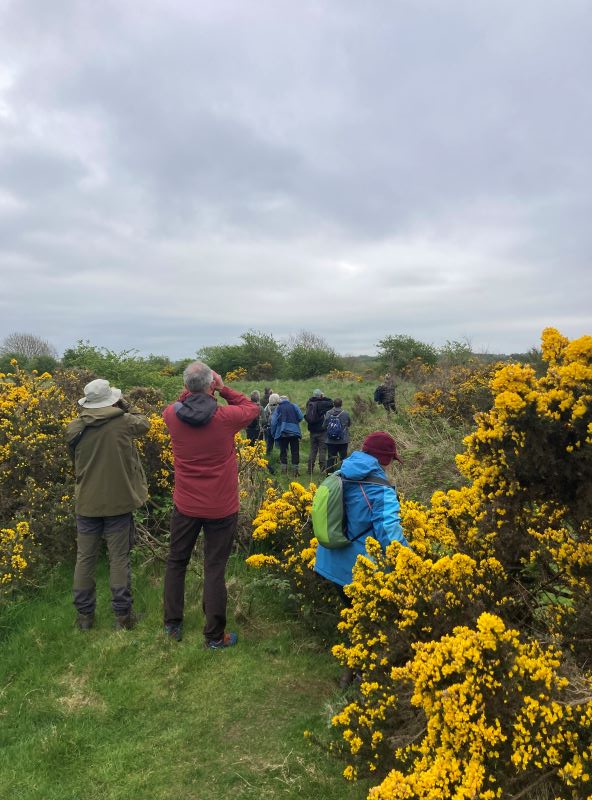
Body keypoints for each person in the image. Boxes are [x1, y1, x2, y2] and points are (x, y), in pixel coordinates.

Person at [162, 361, 260, 648]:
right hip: (221, 507)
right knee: (214, 567)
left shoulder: (171, 415)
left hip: (186, 505)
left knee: (176, 561)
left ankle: (172, 625)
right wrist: (223, 387)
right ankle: (215, 636)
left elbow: (181, 403)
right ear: (210, 385)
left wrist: (192, 390)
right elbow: (252, 407)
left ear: (186, 387)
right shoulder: (225, 417)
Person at [314, 431, 408, 685]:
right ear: (385, 459)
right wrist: (410, 561)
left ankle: (351, 670)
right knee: (371, 621)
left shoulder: (340, 472)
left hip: (329, 560)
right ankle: (362, 676)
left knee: (353, 616)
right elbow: (389, 531)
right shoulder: (380, 489)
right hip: (357, 568)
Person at [66, 378, 150, 631]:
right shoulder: (124, 422)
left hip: (87, 503)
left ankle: (84, 617)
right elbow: (144, 423)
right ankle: (123, 617)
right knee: (119, 559)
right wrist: (124, 404)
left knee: (85, 559)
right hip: (119, 503)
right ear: (111, 400)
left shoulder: (74, 428)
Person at [271, 394, 304, 476]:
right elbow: (300, 416)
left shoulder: (278, 408)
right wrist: (295, 422)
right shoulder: (294, 406)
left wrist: (274, 432)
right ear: (288, 400)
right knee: (295, 452)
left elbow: (273, 422)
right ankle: (295, 472)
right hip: (294, 432)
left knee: (283, 452)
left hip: (283, 433)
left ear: (280, 401)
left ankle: (284, 471)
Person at [305, 388, 333, 475]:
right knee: (322, 450)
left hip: (312, 431)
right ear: (321, 395)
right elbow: (331, 402)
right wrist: (323, 397)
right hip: (322, 430)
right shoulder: (324, 403)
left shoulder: (309, 403)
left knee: (313, 450)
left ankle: (310, 469)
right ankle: (322, 469)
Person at [323, 398, 351, 473]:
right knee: (343, 459)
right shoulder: (345, 413)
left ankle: (329, 475)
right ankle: (342, 474)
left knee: (330, 459)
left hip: (331, 440)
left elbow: (324, 425)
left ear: (333, 404)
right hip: (343, 440)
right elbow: (349, 424)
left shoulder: (328, 413)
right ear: (341, 404)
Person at [262, 392, 281, 461]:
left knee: (268, 445)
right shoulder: (279, 407)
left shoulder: (267, 407)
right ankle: (279, 458)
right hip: (276, 428)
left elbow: (264, 417)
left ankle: (267, 458)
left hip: (267, 428)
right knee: (279, 445)